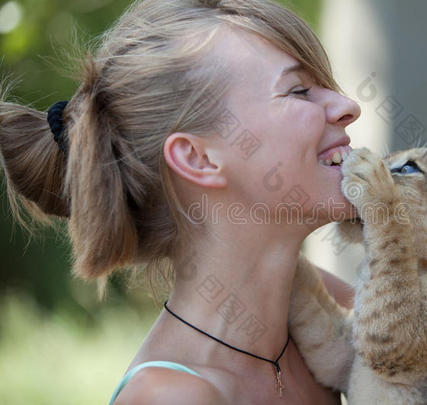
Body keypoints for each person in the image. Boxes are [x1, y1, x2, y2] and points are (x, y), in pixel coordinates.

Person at [0, 0, 359, 404]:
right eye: (298, 91)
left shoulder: (331, 312)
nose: (349, 106)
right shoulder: (173, 396)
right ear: (197, 159)